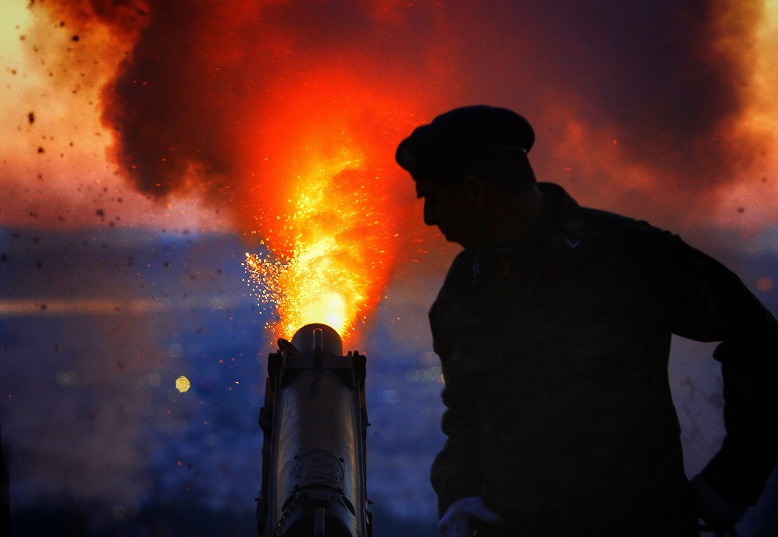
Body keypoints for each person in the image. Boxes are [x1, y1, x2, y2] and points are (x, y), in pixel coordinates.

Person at [394, 105, 778, 537]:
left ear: (474, 191)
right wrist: (460, 495)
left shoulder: (626, 256)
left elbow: (760, 339)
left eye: (432, 198)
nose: (429, 217)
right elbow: (466, 412)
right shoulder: (465, 289)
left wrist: (732, 482)